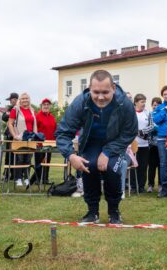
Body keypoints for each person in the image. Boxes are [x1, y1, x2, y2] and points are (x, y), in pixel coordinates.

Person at [56, 70, 137, 224]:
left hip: (114, 144)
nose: (100, 97)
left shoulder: (124, 103)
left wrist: (107, 152)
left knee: (112, 169)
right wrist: (71, 155)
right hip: (91, 143)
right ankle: (92, 212)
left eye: (105, 92)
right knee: (88, 166)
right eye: (96, 92)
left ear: (113, 88)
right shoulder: (80, 102)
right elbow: (63, 132)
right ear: (89, 88)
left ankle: (114, 211)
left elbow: (130, 132)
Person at [7, 93, 37, 186]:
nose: (25, 100)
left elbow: (34, 124)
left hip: (30, 138)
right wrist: (14, 135)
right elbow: (10, 123)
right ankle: (18, 178)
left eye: (26, 98)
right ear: (20, 100)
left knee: (28, 159)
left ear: (29, 99)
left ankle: (27, 177)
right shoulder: (15, 110)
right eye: (23, 98)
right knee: (19, 159)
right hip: (19, 138)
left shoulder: (32, 110)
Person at [35, 98, 57, 184]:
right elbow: (35, 130)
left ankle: (45, 179)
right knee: (39, 162)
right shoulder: (37, 116)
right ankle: (38, 179)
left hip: (50, 144)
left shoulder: (52, 117)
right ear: (41, 106)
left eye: (48, 104)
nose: (46, 106)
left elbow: (55, 129)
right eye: (44, 104)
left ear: (50, 106)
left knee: (47, 162)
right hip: (40, 143)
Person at [2, 92, 19, 180]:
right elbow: (4, 117)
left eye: (12, 99)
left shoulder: (20, 108)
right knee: (8, 156)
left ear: (16, 99)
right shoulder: (9, 108)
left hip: (18, 135)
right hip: (9, 135)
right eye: (11, 100)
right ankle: (6, 174)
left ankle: (16, 174)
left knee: (18, 156)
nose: (11, 101)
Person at [147, 97, 162, 193]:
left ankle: (161, 184)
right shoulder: (150, 115)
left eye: (157, 105)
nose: (155, 107)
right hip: (152, 144)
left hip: (161, 144)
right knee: (152, 166)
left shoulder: (162, 114)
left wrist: (156, 128)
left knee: (161, 166)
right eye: (154, 105)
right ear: (152, 106)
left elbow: (161, 128)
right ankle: (150, 185)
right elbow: (148, 127)